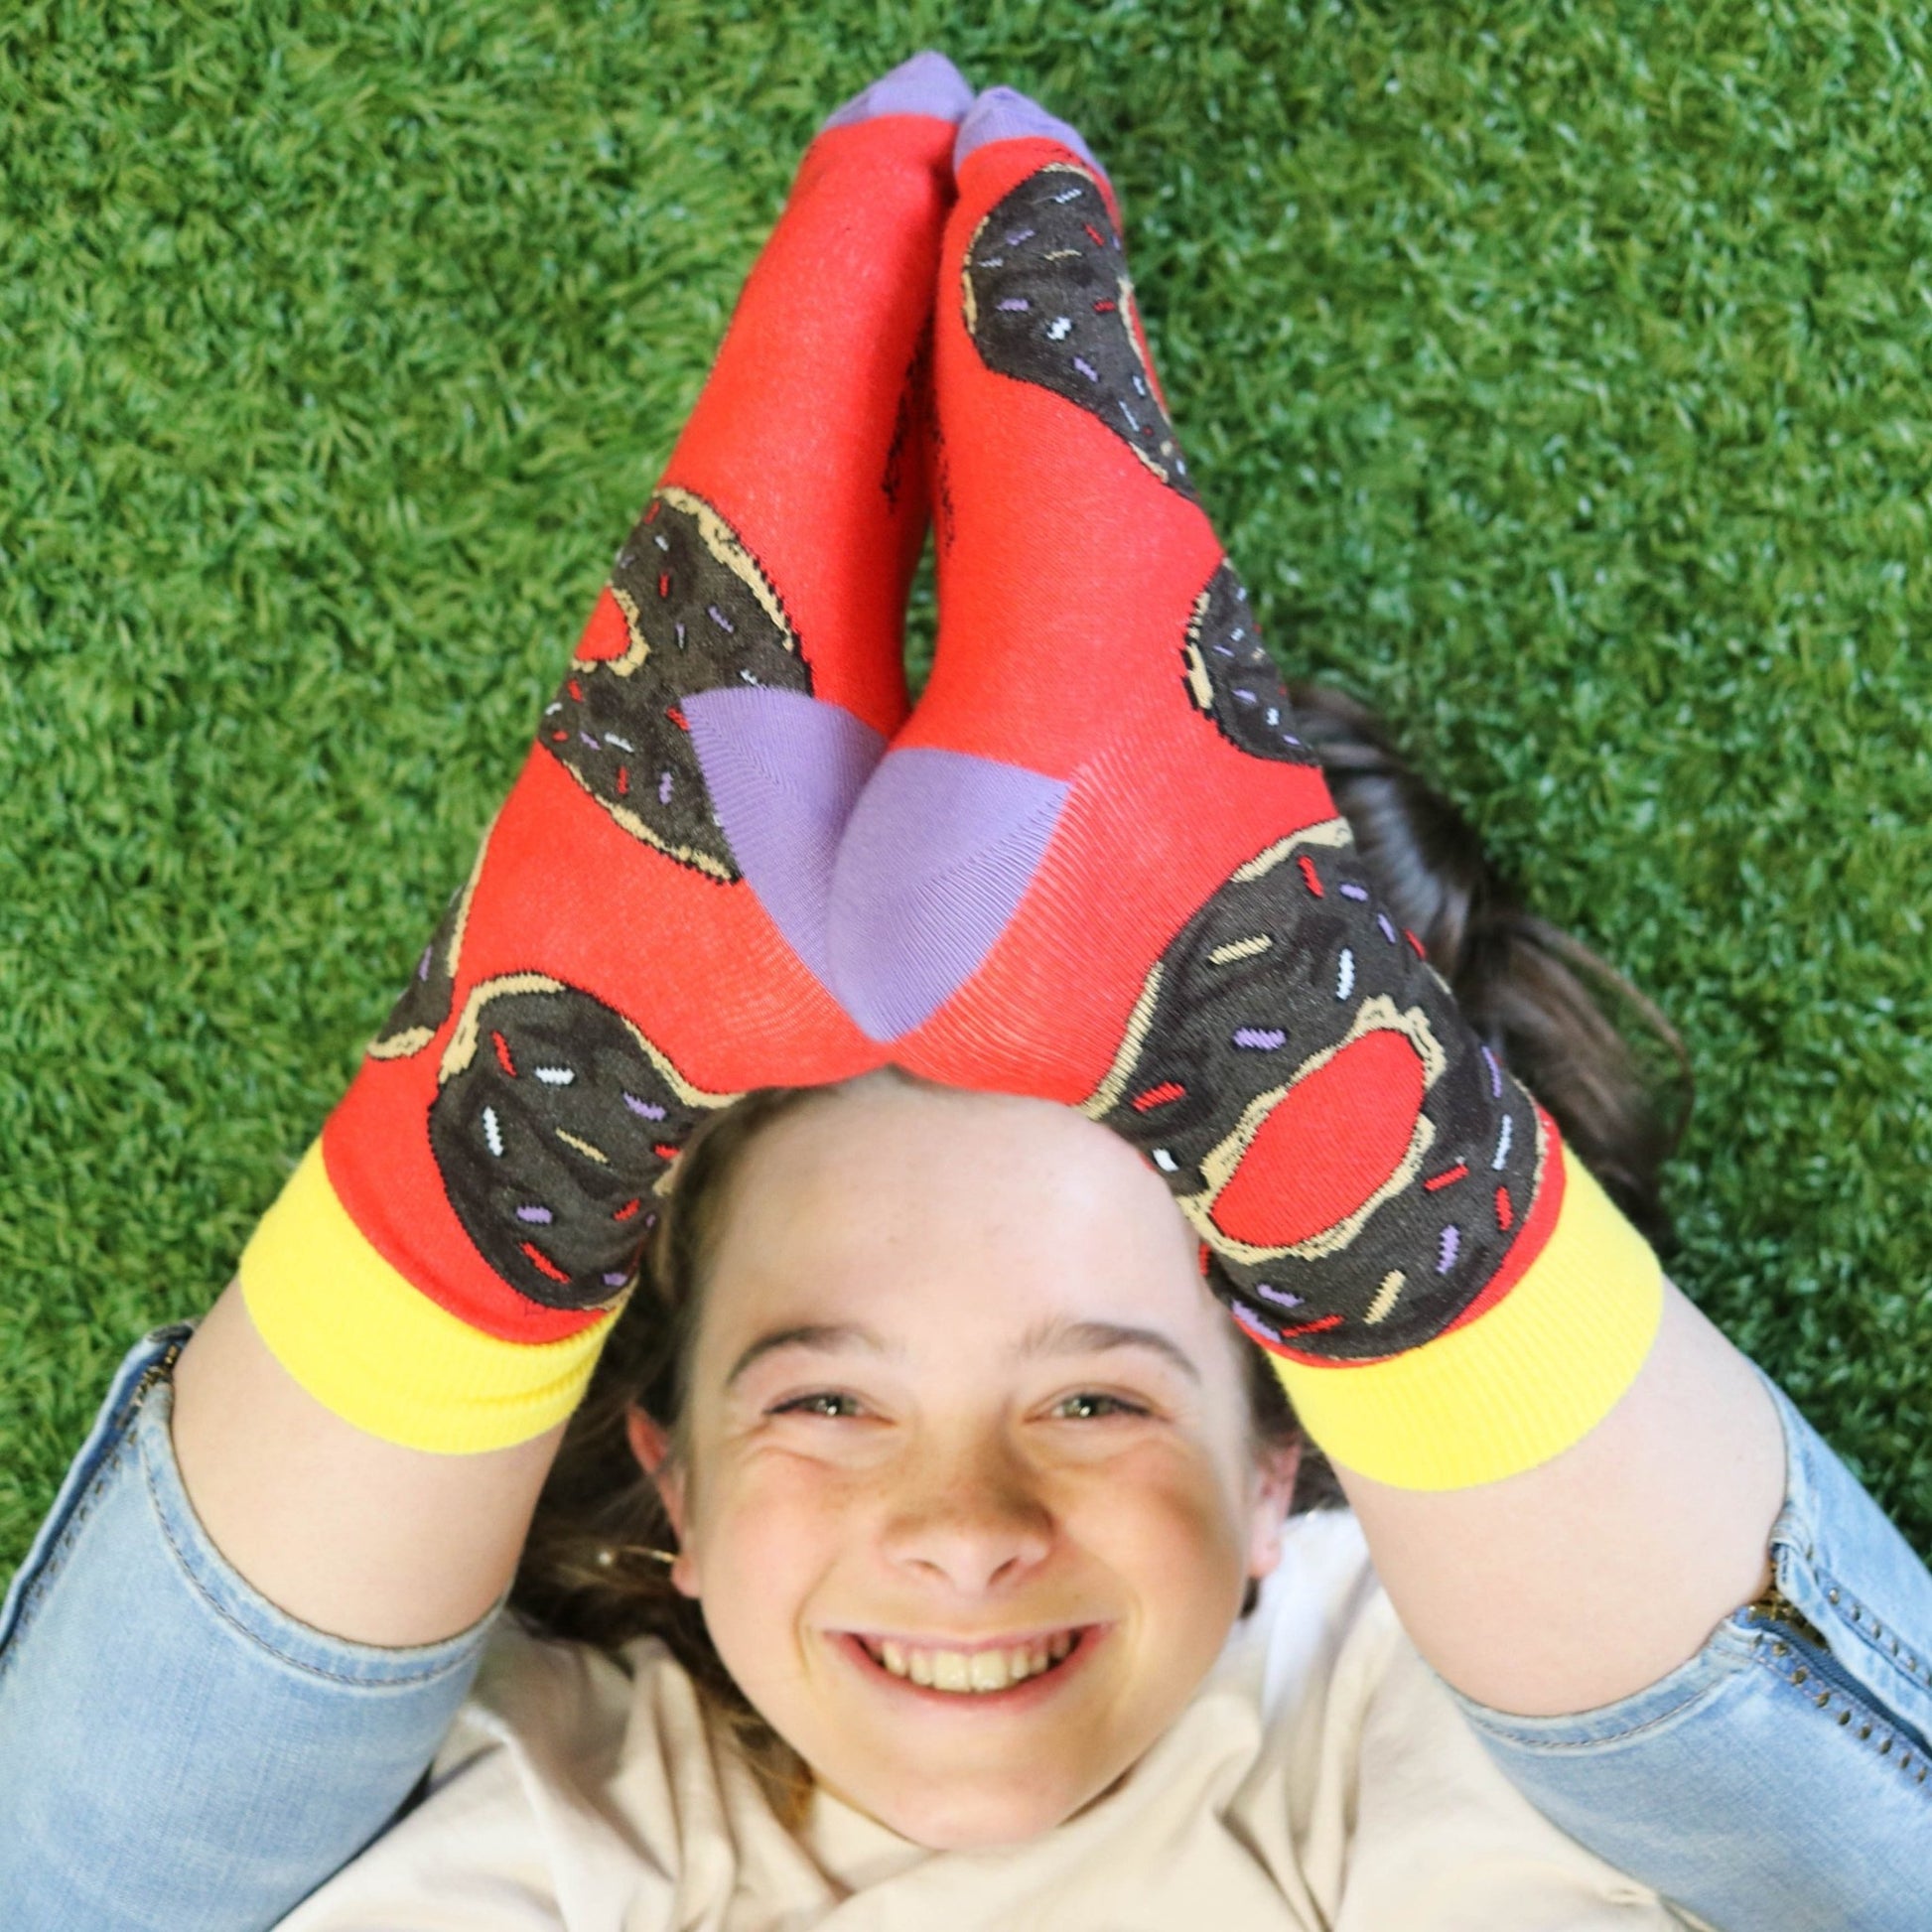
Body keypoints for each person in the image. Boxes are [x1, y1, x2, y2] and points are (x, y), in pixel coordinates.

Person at [2, 53, 1928, 1932]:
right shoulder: (606, 1798)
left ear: (1277, 1467)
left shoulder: (1347, 1716)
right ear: (664, 1473)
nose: (962, 1525)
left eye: (1095, 1392)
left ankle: (1356, 1196)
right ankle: (525, 1137)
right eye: (825, 1397)